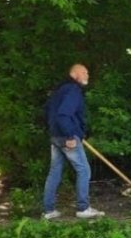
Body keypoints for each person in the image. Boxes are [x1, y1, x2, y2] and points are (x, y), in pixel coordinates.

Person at [42, 63, 104, 220]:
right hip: (66, 137)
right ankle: (83, 208)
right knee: (84, 170)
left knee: (55, 171)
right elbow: (63, 114)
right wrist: (70, 136)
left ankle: (48, 211)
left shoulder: (59, 90)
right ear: (75, 74)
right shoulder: (72, 90)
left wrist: (56, 132)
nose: (87, 76)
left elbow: (47, 112)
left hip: (55, 136)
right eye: (85, 73)